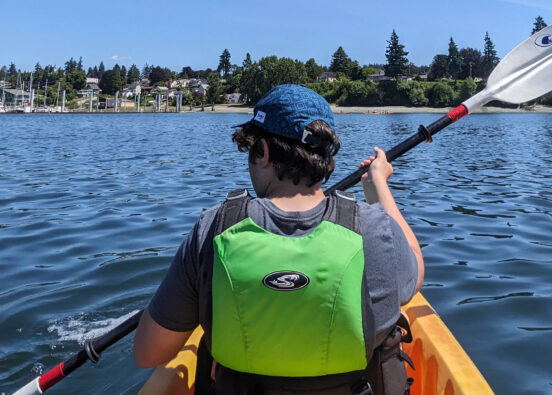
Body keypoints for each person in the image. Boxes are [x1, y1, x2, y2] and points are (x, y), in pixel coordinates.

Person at [134, 84, 424, 394]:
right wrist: (377, 185)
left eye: (250, 149)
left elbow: (148, 353)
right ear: (325, 156)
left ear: (265, 152)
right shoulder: (374, 229)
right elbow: (415, 270)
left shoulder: (213, 229)